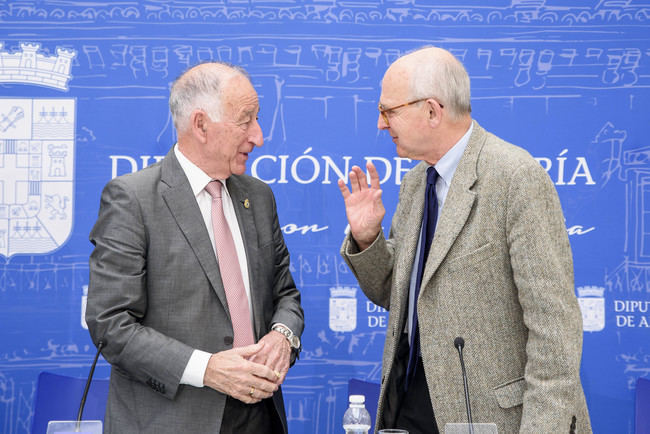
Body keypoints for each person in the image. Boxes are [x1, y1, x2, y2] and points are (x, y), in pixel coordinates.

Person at [338, 46, 591, 433]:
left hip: (495, 418)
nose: (380, 124)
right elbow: (400, 297)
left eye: (388, 110)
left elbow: (555, 330)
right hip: (408, 409)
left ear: (432, 110)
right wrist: (368, 237)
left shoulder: (514, 178)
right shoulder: (414, 183)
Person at [86, 61, 304, 434]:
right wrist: (207, 369)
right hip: (172, 420)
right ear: (200, 124)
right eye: (246, 120)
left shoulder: (259, 197)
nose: (259, 136)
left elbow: (285, 295)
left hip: (260, 417)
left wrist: (282, 336)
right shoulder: (133, 199)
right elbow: (111, 324)